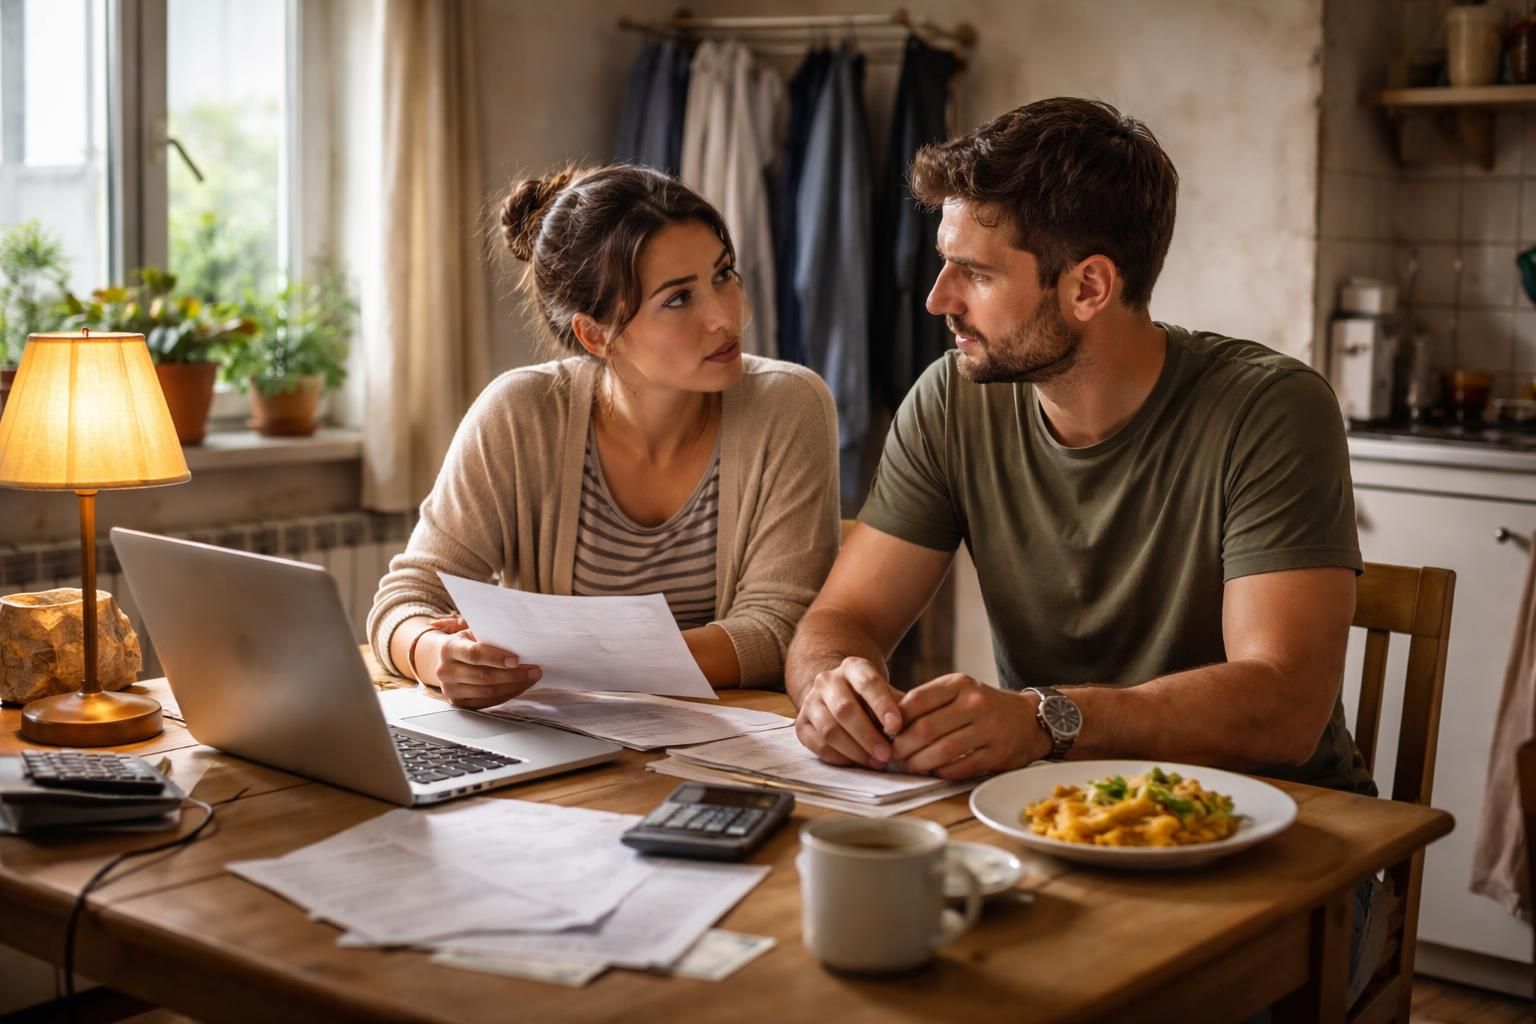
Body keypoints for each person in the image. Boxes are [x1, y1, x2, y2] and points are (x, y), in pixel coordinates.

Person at [786, 97, 1371, 797]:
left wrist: (1046, 720)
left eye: (976, 273)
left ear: (1089, 287)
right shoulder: (951, 401)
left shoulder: (1270, 410)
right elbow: (843, 617)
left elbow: (1286, 706)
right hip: (1059, 810)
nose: (939, 299)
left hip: (1281, 822)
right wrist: (832, 688)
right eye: (945, 264)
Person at [368, 165, 840, 707]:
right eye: (679, 299)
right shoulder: (519, 415)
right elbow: (408, 598)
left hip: (733, 741)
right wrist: (436, 655)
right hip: (557, 742)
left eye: (723, 275)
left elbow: (778, 631)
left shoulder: (789, 405)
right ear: (595, 335)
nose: (724, 317)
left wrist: (567, 657)